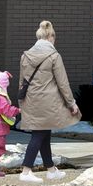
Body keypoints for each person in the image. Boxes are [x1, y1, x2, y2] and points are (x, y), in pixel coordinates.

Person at [18, 19, 80, 177]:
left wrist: (21, 102)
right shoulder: (54, 56)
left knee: (44, 132)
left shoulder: (25, 56)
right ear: (51, 37)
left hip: (31, 100)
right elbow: (63, 83)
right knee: (39, 134)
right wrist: (71, 103)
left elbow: (22, 83)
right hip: (48, 101)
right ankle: (26, 171)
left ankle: (51, 169)